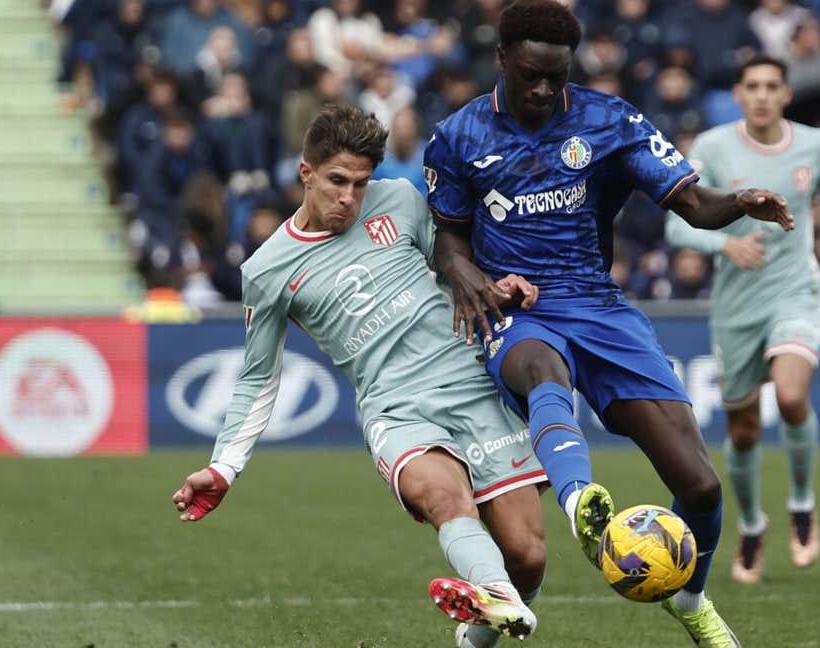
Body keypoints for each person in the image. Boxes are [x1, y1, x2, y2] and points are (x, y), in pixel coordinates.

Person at [425, 3, 792, 646]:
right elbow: (448, 239)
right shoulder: (458, 137)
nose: (544, 90)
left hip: (598, 304)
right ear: (503, 59)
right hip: (517, 308)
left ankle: (691, 598)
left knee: (701, 486)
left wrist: (739, 202)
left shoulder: (609, 120)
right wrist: (470, 279)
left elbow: (693, 205)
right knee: (542, 370)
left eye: (557, 76)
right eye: (532, 75)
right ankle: (579, 504)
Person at [171, 106, 548, 646]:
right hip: (396, 408)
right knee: (445, 500)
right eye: (337, 182)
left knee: (528, 555)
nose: (349, 197)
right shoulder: (267, 271)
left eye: (360, 182)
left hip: (470, 383)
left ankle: (487, 623)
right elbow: (258, 379)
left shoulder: (399, 199)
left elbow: (455, 263)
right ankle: (493, 592)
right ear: (307, 174)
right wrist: (224, 467)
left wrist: (498, 284)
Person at [664, 56, 820, 585]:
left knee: (791, 397)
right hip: (737, 307)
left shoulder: (814, 144)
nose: (764, 95)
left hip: (797, 290)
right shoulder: (713, 148)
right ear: (739, 94)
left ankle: (802, 504)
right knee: (743, 431)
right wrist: (725, 242)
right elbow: (678, 227)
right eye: (754, 86)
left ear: (786, 94)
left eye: (773, 86)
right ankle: (750, 525)